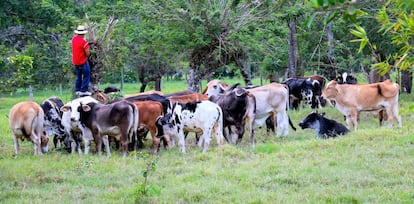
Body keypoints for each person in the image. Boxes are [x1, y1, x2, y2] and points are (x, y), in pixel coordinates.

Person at [71, 25, 91, 96]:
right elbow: (87, 53)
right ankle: (83, 90)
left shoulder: (73, 39)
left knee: (78, 76)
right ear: (83, 33)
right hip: (82, 61)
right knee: (87, 75)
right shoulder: (84, 42)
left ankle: (77, 90)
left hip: (75, 62)